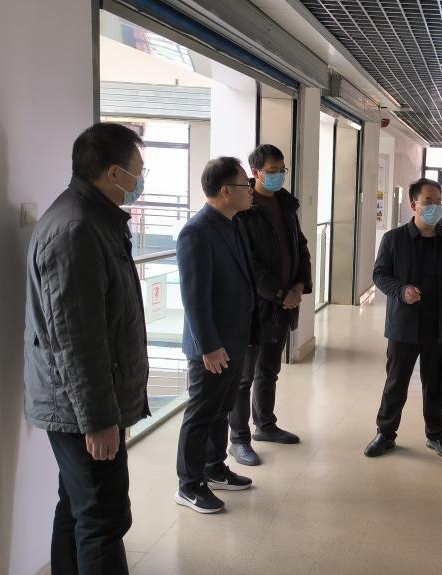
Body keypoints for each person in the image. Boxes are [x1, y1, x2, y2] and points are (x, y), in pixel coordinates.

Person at [24, 122, 149, 574]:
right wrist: (98, 421)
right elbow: (77, 341)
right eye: (138, 170)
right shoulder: (77, 229)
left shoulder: (94, 219)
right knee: (103, 517)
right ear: (114, 173)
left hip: (79, 403)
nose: (140, 179)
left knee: (79, 506)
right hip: (81, 409)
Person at [364, 178, 442, 459]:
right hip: (404, 326)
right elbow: (379, 275)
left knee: (434, 384)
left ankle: (436, 435)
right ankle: (385, 434)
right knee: (396, 383)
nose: (435, 206)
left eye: (438, 201)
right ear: (414, 205)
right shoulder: (394, 239)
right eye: (428, 201)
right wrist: (401, 291)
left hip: (439, 327)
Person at [174, 157, 256, 514]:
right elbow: (194, 297)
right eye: (245, 185)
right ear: (225, 191)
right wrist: (208, 346)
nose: (250, 191)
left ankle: (214, 468)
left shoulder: (232, 223)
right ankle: (188, 485)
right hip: (211, 345)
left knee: (222, 409)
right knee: (201, 413)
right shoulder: (196, 231)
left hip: (234, 339)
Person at [227, 144, 312, 467]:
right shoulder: (244, 208)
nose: (278, 176)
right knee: (244, 377)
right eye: (272, 171)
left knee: (269, 370)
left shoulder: (286, 204)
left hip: (284, 304)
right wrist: (279, 293)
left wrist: (300, 285)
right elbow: (248, 263)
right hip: (256, 306)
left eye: (281, 170)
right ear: (255, 173)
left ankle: (265, 424)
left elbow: (300, 246)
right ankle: (239, 439)